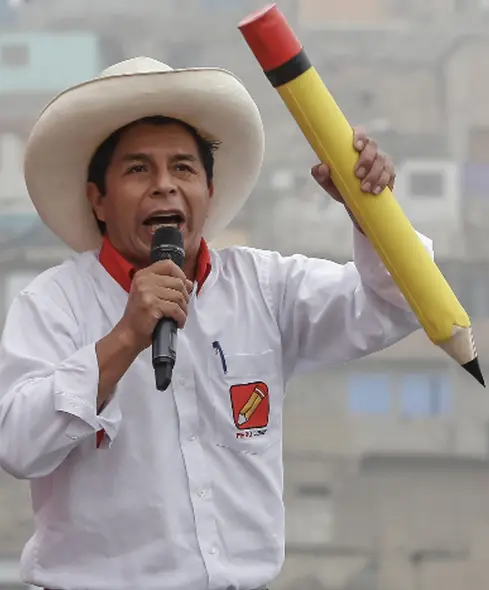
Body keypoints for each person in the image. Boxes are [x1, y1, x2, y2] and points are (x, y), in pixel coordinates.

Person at [0, 57, 430, 590]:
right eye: (138, 170)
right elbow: (17, 445)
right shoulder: (53, 303)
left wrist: (370, 212)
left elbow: (399, 305)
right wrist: (125, 338)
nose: (164, 187)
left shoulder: (265, 287)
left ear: (209, 189)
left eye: (183, 168)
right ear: (98, 200)